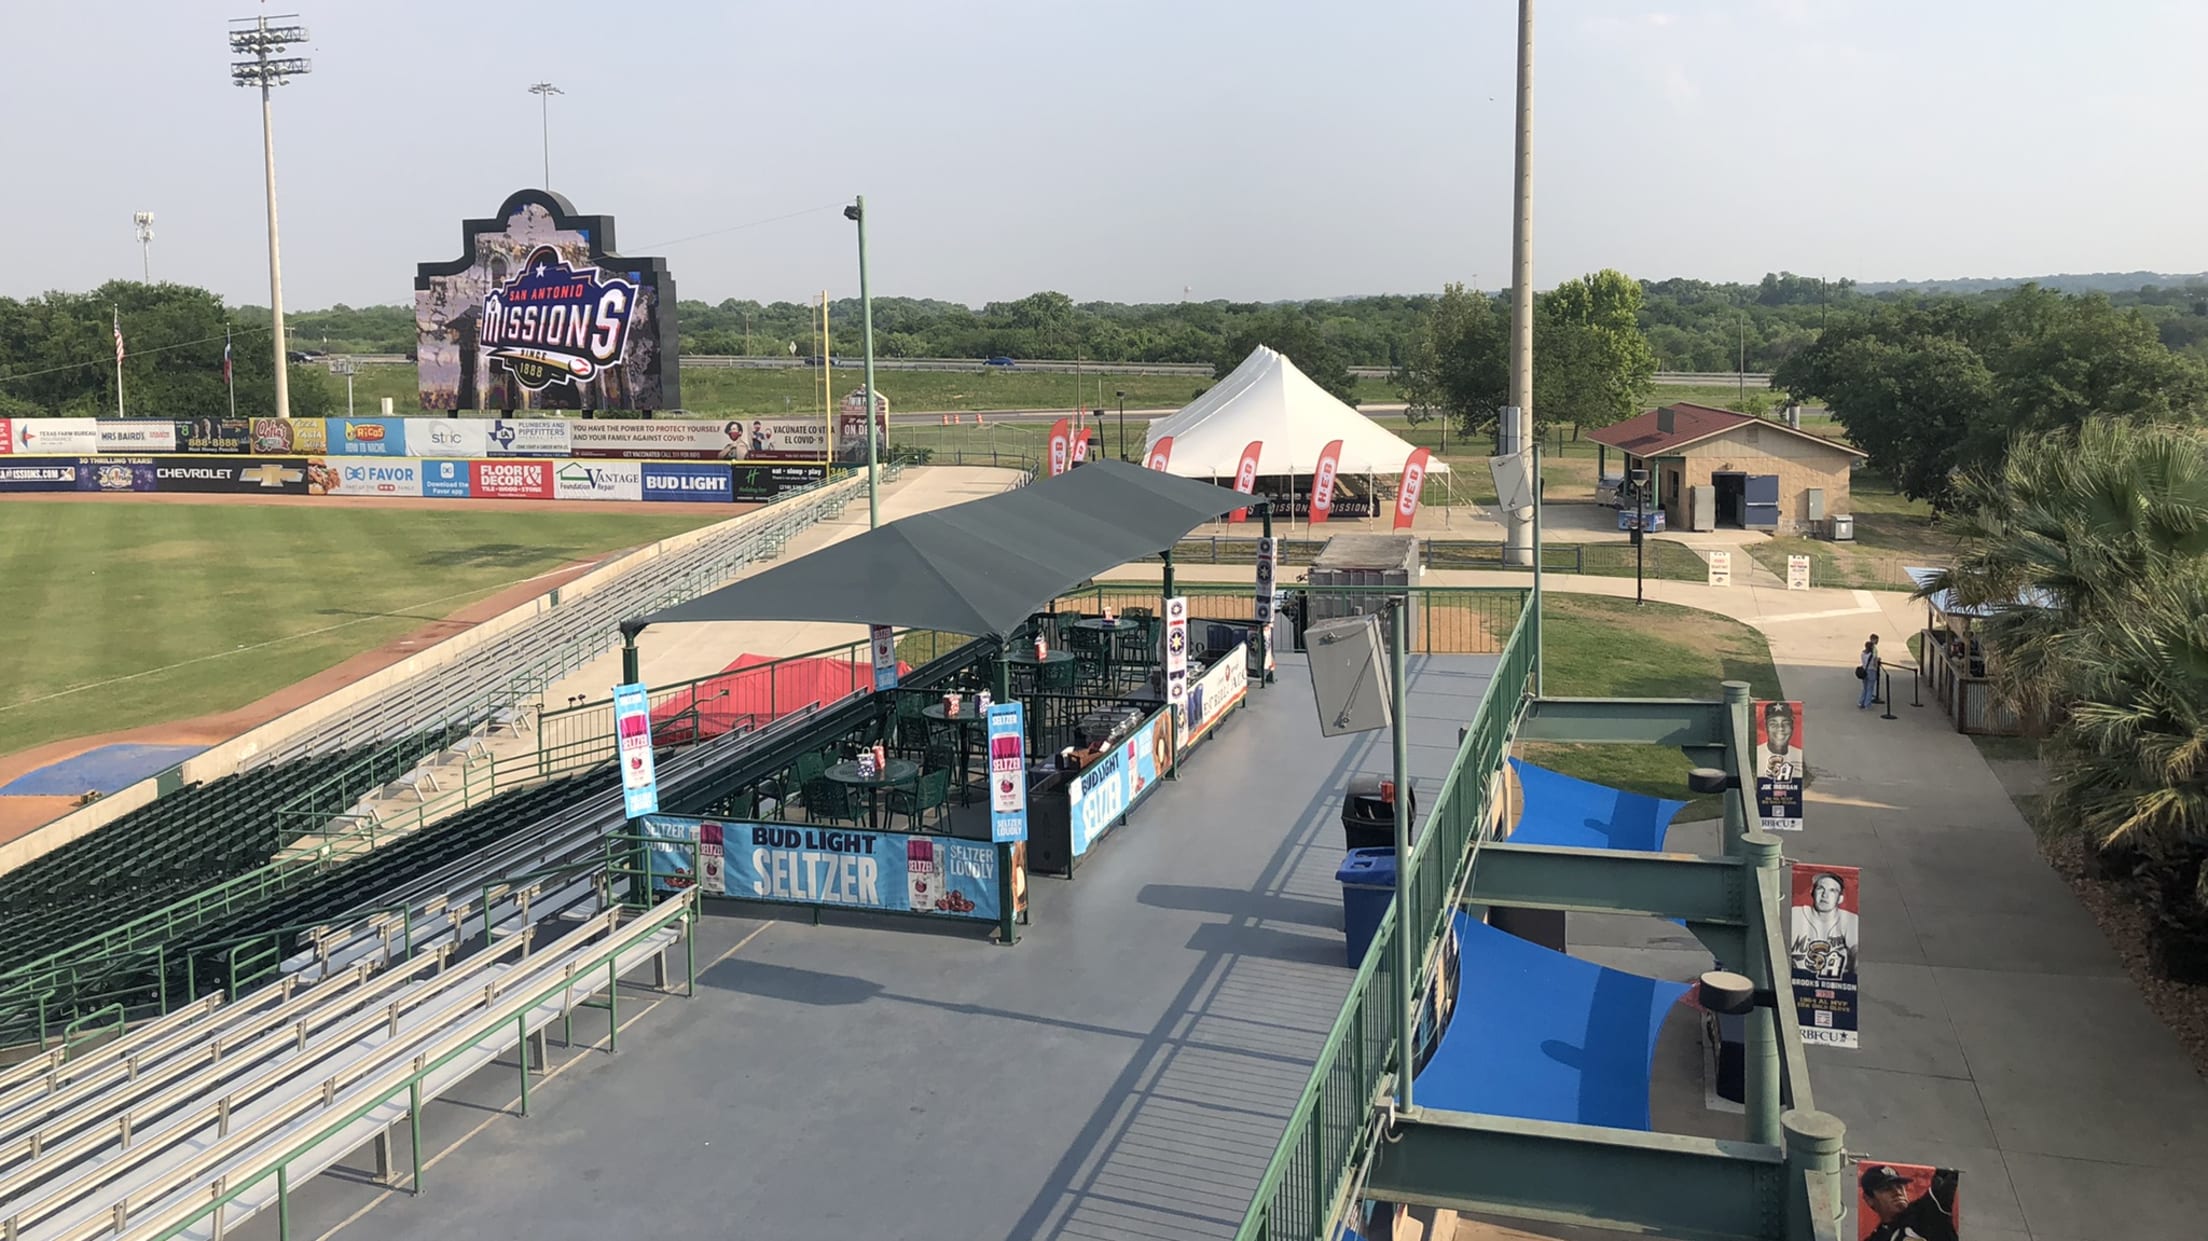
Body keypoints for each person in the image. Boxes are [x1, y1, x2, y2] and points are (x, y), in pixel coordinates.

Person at [1859, 1164, 1959, 1241]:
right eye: (1886, 1188)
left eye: (1900, 1186)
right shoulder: (1876, 1238)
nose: (1897, 1192)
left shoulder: (1924, 1210)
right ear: (1869, 1199)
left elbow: (1945, 1186)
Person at [1789, 872, 1858, 979]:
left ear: (1840, 898)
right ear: (1812, 892)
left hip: (1834, 985)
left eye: (1832, 891)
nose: (1825, 895)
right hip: (1799, 983)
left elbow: (1856, 950)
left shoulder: (1849, 919)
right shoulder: (1796, 914)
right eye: (1820, 888)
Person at [1760, 700, 1799, 780]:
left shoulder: (1797, 754)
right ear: (1766, 726)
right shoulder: (1760, 754)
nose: (1780, 728)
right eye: (1773, 724)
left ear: (1792, 726)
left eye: (1786, 723)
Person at [1857, 634, 1882, 709]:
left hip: (1864, 670)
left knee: (1865, 688)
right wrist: (1878, 661)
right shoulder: (1872, 655)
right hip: (1871, 671)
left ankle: (1861, 701)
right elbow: (1875, 664)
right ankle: (1867, 703)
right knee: (1870, 688)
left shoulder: (1863, 654)